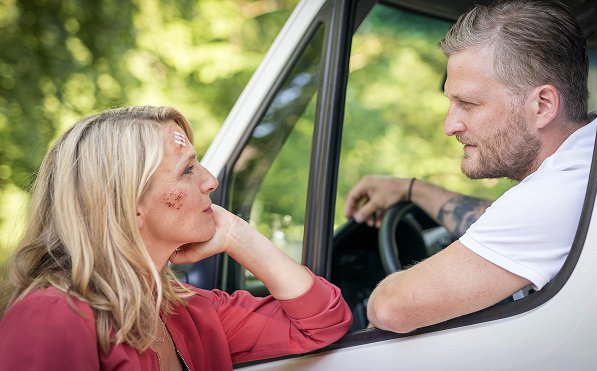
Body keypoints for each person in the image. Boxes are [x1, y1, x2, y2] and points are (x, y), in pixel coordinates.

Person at [0, 106, 352, 370]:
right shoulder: (52, 317)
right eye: (187, 170)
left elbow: (324, 323)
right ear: (128, 204)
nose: (210, 180)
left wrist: (236, 234)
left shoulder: (188, 311)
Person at [344, 0, 597, 333]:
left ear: (543, 105)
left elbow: (389, 308)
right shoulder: (592, 162)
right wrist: (411, 189)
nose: (450, 126)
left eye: (468, 103)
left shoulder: (559, 192)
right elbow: (508, 223)